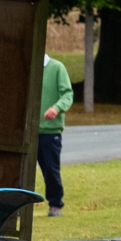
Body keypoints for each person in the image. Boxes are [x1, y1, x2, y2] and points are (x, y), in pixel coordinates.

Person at [38, 53, 73, 217]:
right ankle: (18, 208)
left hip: (49, 131)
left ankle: (55, 204)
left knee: (51, 170)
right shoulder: (28, 66)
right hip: (27, 132)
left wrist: (56, 108)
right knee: (21, 172)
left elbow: (67, 94)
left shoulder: (57, 68)